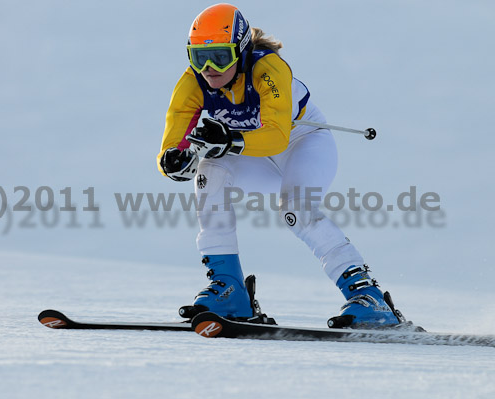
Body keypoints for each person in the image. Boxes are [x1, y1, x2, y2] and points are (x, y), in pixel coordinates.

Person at [157, 3, 402, 328]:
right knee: (209, 170)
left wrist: (228, 140)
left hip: (303, 144)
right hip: (254, 155)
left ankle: (367, 295)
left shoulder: (268, 69)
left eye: (220, 56)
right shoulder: (192, 83)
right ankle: (230, 291)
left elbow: (276, 137)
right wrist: (174, 160)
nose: (209, 68)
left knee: (297, 210)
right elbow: (172, 144)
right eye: (199, 58)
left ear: (241, 51)